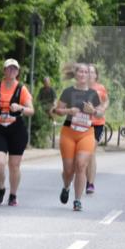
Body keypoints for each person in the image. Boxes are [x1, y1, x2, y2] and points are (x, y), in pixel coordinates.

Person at [53, 63, 102, 211]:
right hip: (69, 131)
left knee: (81, 165)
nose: (82, 74)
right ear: (76, 74)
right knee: (68, 170)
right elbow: (57, 110)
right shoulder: (68, 92)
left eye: (85, 72)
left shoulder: (93, 94)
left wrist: (93, 110)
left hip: (87, 132)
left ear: (89, 76)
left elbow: (100, 114)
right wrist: (69, 110)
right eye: (80, 71)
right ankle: (66, 187)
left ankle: (77, 200)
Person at [0, 59, 34, 206]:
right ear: (4, 71)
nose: (11, 71)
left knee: (14, 166)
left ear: (17, 72)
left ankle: (13, 194)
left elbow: (31, 111)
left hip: (16, 130)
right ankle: (1, 188)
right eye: (9, 69)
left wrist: (20, 108)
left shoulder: (21, 89)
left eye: (14, 69)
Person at [85, 64, 109, 194]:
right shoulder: (81, 88)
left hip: (97, 124)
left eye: (92, 72)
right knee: (83, 154)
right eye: (87, 71)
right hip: (83, 124)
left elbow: (106, 100)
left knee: (90, 151)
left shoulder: (100, 88)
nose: (89, 74)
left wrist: (103, 108)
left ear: (96, 75)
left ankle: (90, 183)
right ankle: (84, 179)